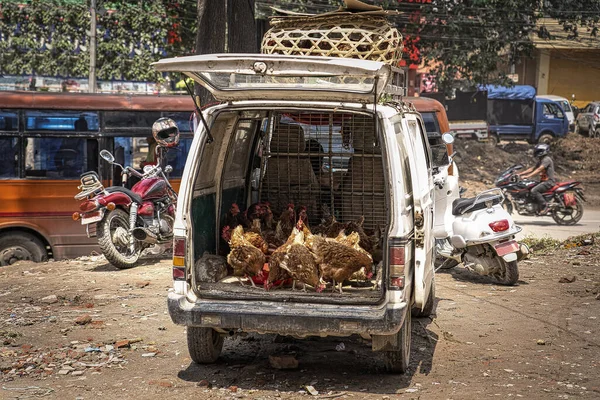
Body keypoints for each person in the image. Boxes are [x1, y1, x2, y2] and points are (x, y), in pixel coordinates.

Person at [518, 143, 556, 215]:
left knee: (534, 190)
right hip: (543, 181)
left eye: (537, 151)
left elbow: (539, 169)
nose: (535, 152)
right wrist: (520, 174)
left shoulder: (546, 159)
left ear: (542, 151)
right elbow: (532, 169)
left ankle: (545, 206)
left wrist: (528, 176)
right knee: (529, 187)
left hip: (549, 182)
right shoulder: (541, 160)